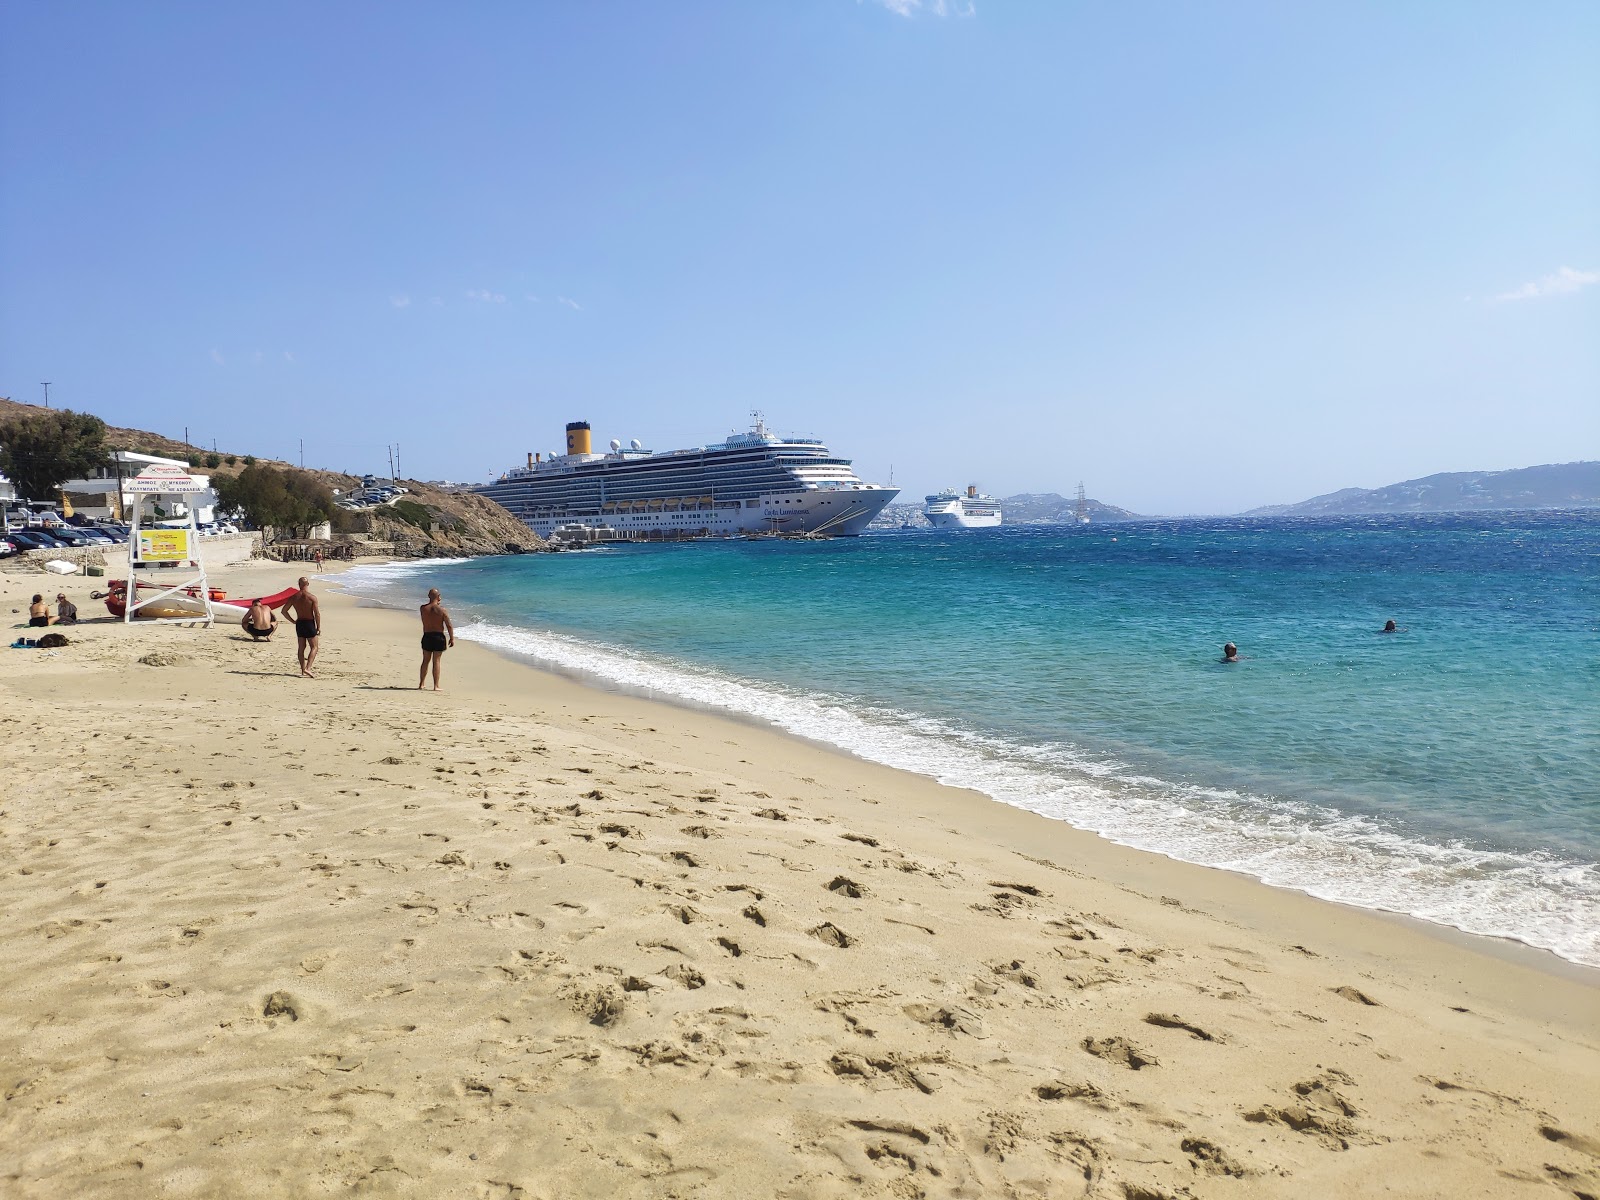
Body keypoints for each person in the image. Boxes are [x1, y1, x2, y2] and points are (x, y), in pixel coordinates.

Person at [281, 576, 321, 677]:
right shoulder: (312, 597)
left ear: (299, 585)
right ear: (307, 584)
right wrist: (318, 627)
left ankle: (303, 670)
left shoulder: (294, 597)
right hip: (309, 623)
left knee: (301, 648)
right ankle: (308, 668)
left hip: (300, 623)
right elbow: (317, 614)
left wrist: (293, 621)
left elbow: (284, 611)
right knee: (314, 647)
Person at [418, 587, 455, 690]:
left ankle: (421, 684)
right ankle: (436, 686)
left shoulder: (423, 608)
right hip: (438, 636)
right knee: (436, 661)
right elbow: (449, 625)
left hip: (427, 635)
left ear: (428, 596)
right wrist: (452, 638)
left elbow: (430, 611)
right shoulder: (442, 610)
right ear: (438, 597)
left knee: (425, 660)